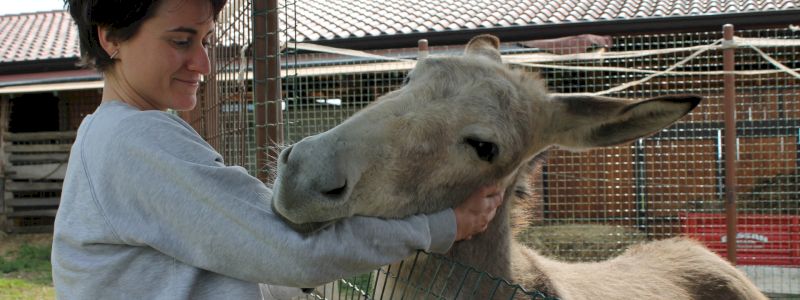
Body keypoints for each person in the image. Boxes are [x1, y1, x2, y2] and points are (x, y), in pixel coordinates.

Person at [53, 0, 505, 299]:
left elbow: (237, 260)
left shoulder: (107, 135)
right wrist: (442, 225)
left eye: (205, 41)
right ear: (111, 38)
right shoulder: (134, 140)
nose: (203, 62)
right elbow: (295, 252)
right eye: (181, 41)